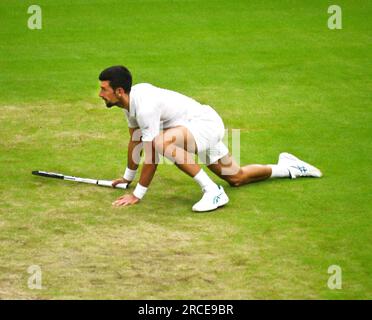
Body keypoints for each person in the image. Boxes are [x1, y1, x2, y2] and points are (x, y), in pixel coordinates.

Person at [98, 66, 322, 212]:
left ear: (119, 91)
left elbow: (153, 154)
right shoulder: (128, 104)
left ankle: (213, 191)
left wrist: (137, 194)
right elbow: (135, 141)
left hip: (203, 125)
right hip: (190, 129)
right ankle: (289, 167)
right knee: (237, 177)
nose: (100, 94)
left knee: (160, 144)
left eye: (103, 89)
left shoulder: (145, 106)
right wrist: (127, 177)